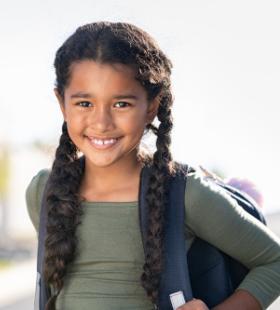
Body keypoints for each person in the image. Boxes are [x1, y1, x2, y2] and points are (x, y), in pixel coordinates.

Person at [25, 21, 280, 310]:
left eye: (121, 104)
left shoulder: (185, 194)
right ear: (62, 103)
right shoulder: (44, 192)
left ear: (152, 106)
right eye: (85, 103)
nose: (101, 123)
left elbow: (274, 262)